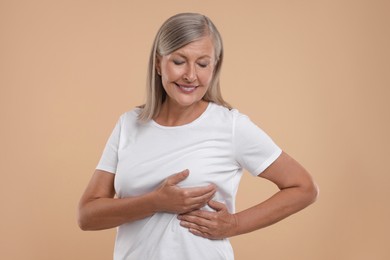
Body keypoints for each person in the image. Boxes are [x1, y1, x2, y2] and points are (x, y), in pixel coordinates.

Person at [78, 12, 318, 260]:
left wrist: (234, 224)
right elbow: (87, 215)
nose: (191, 75)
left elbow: (304, 188)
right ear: (159, 63)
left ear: (214, 66)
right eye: (179, 61)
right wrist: (155, 202)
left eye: (202, 64)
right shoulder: (129, 124)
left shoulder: (230, 126)